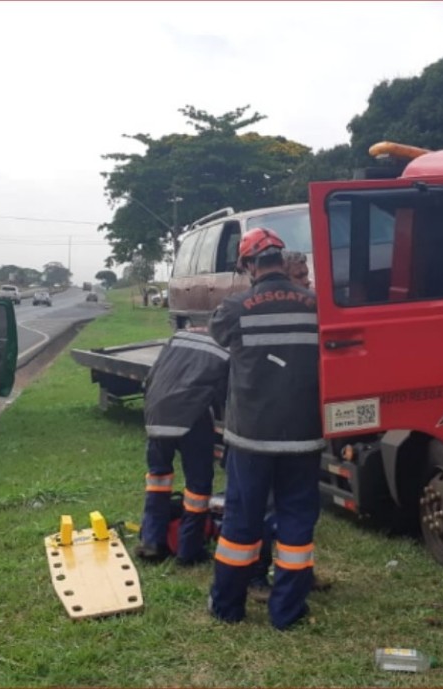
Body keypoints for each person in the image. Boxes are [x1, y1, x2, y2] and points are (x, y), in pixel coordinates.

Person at [207, 227, 325, 630]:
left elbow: (221, 339)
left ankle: (227, 607)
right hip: (304, 436)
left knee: (242, 521)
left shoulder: (234, 308)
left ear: (248, 265)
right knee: (296, 523)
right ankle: (287, 612)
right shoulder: (317, 305)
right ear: (280, 257)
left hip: (251, 438)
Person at [135, 327, 229, 566]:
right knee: (198, 487)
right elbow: (228, 395)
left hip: (156, 413)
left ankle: (151, 542)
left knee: (158, 479)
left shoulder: (179, 336)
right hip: (191, 418)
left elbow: (154, 375)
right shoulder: (227, 348)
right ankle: (189, 550)